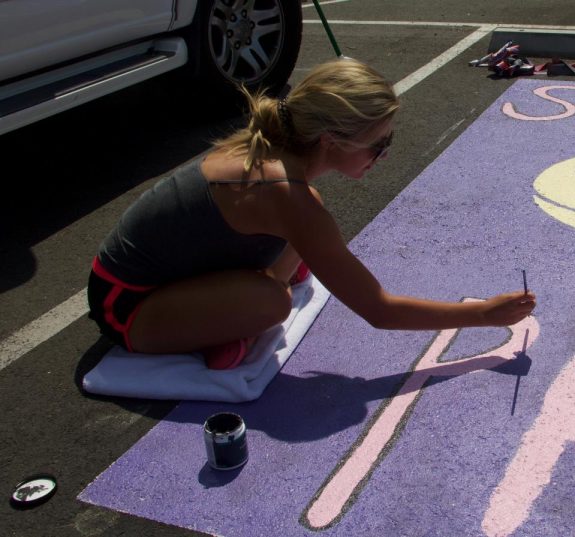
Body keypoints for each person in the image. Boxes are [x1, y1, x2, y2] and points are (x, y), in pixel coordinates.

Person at [87, 58, 537, 369]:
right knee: (271, 302)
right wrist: (480, 316)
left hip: (150, 281)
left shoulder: (271, 149)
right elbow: (378, 310)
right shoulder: (285, 194)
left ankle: (229, 308)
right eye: (379, 145)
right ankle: (221, 329)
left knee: (297, 247)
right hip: (126, 309)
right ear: (332, 140)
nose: (382, 157)